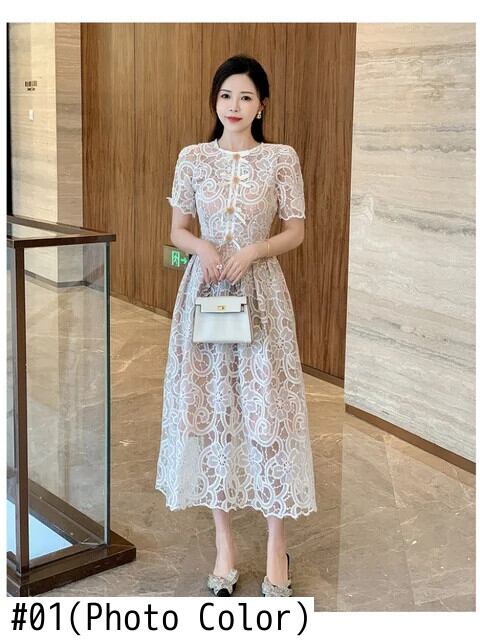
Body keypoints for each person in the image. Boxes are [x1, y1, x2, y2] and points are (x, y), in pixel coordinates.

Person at [155, 54, 317, 597]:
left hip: (261, 297)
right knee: (214, 413)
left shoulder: (280, 159)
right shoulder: (193, 158)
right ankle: (224, 546)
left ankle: (275, 546)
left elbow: (295, 229)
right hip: (205, 296)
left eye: (246, 97)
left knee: (268, 412)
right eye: (226, 95)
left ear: (261, 105)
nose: (235, 105)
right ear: (215, 101)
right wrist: (201, 247)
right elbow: (177, 230)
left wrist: (254, 250)